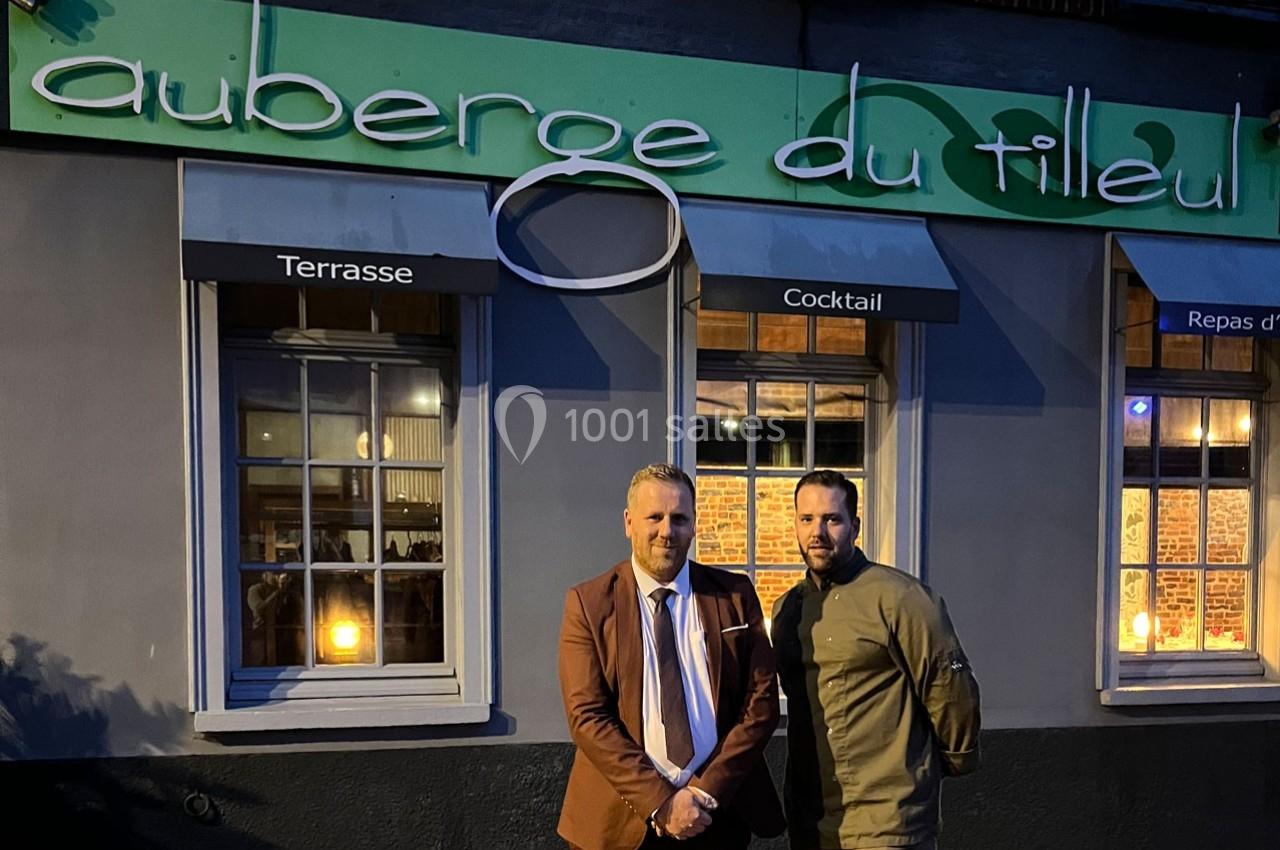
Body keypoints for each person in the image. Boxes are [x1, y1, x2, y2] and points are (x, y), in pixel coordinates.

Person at [557, 463, 785, 850]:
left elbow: (760, 704)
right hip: (623, 825)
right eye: (655, 517)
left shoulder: (734, 595)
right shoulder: (589, 604)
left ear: (694, 524)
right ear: (629, 522)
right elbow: (588, 718)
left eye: (679, 518)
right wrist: (661, 802)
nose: (667, 531)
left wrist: (706, 791)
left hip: (717, 815)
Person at [771, 471, 981, 850]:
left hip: (888, 824)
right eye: (807, 519)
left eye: (832, 519)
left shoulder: (903, 599)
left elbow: (952, 691)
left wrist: (943, 765)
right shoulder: (787, 610)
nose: (817, 531)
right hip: (812, 822)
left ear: (855, 526)